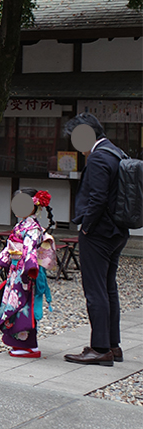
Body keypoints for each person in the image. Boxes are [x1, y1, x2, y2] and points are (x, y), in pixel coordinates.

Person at [64, 113, 129, 366]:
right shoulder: (116, 152)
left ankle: (100, 348)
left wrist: (86, 227)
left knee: (95, 290)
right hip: (117, 231)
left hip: (100, 232)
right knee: (109, 288)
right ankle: (113, 345)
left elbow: (98, 198)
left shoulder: (99, 157)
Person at [0, 189, 55, 359]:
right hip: (17, 270)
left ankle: (26, 345)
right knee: (16, 305)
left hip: (25, 272)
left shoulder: (33, 228)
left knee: (22, 305)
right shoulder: (23, 224)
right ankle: (27, 345)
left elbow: (29, 251)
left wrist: (29, 270)